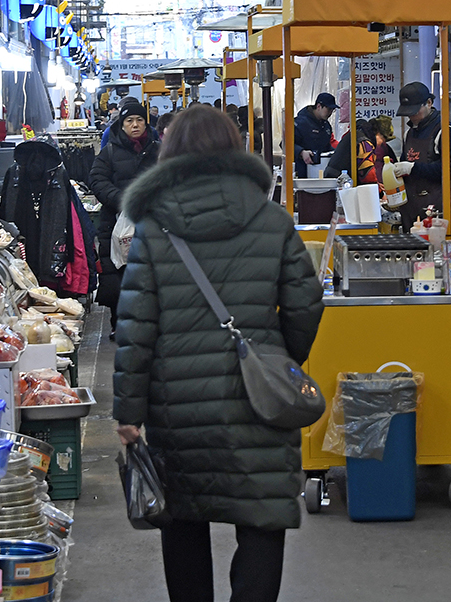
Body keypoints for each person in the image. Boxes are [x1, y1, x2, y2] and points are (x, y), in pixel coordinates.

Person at [113, 105, 323, 602]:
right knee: (262, 517)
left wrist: (129, 412)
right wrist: (274, 356)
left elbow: (135, 327)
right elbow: (306, 302)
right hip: (259, 402)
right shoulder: (271, 218)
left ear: (170, 153)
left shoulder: (154, 227)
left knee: (182, 519)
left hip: (177, 404)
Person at [88, 100, 161, 324]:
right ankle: (118, 322)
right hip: (115, 221)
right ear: (122, 125)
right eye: (129, 120)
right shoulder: (110, 152)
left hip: (153, 221)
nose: (135, 125)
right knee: (117, 274)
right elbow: (97, 179)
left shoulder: (158, 150)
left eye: (139, 120)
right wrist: (123, 200)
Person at [386, 81, 451, 229]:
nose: (411, 116)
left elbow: (450, 170)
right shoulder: (409, 133)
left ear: (428, 103)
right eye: (408, 113)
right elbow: (404, 166)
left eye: (414, 111)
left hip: (438, 210)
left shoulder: (446, 131)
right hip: (412, 209)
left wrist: (412, 168)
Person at [323, 116, 397, 184]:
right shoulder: (365, 143)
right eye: (383, 140)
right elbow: (367, 175)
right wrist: (379, 193)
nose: (381, 144)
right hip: (339, 184)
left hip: (333, 181)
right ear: (378, 133)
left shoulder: (356, 134)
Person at [291, 92, 337, 177]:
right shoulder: (300, 123)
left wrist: (336, 152)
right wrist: (301, 152)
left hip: (320, 171)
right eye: (328, 109)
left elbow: (326, 146)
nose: (330, 113)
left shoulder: (326, 126)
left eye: (332, 110)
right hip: (302, 172)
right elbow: (285, 144)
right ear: (319, 106)